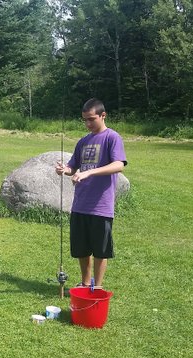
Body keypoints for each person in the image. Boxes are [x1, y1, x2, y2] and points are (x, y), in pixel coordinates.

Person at [55, 98, 127, 288]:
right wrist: (65, 169)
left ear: (103, 116)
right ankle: (86, 284)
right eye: (84, 120)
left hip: (101, 206)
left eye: (91, 119)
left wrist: (89, 172)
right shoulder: (83, 141)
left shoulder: (112, 138)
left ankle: (98, 286)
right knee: (82, 249)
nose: (87, 123)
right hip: (80, 204)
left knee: (100, 250)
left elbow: (119, 165)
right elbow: (73, 166)